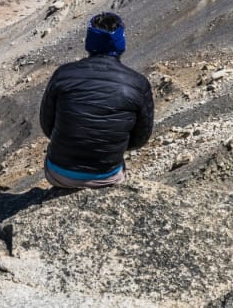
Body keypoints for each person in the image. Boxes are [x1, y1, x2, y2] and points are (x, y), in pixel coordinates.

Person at [39, 11, 154, 188]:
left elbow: (47, 126)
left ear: (89, 41)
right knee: (120, 170)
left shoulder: (63, 74)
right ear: (121, 42)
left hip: (59, 173)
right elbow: (140, 138)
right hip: (106, 176)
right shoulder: (137, 84)